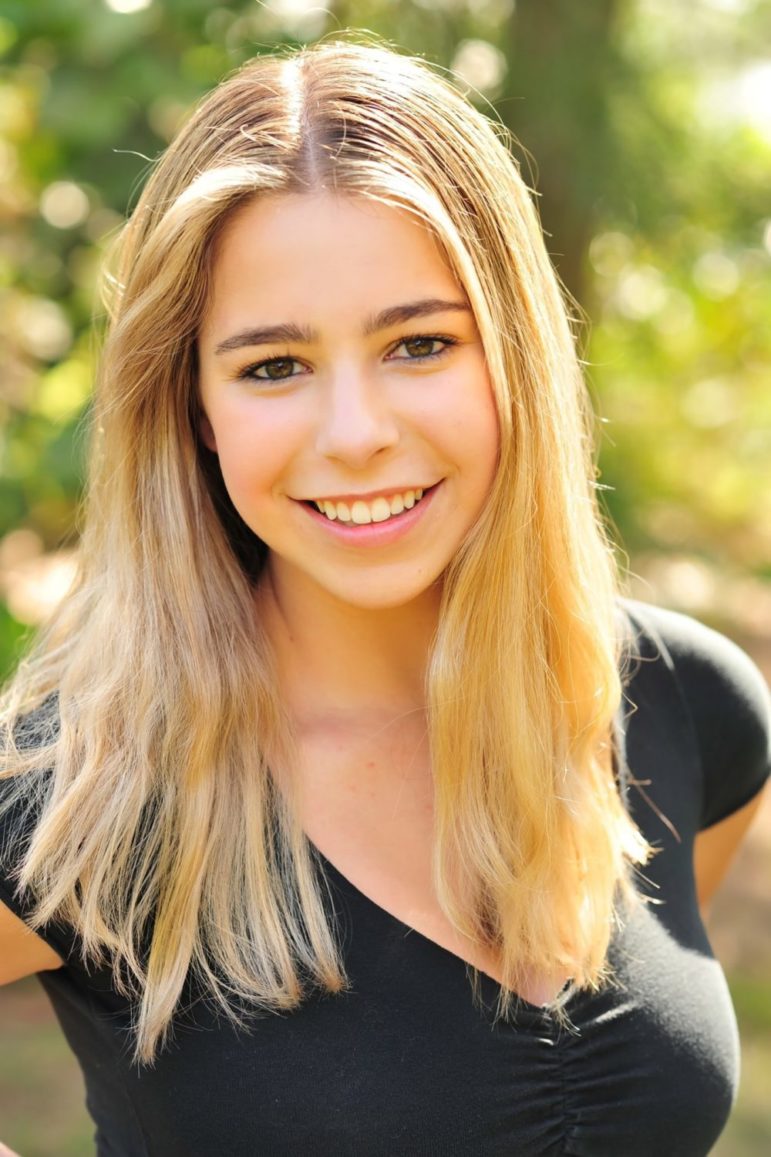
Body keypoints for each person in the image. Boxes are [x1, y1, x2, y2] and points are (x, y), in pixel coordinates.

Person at [1, 38, 769, 1157]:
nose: (357, 433)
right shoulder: (89, 792)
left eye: (420, 343)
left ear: (515, 356)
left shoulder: (687, 704)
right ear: (195, 409)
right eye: (274, 366)